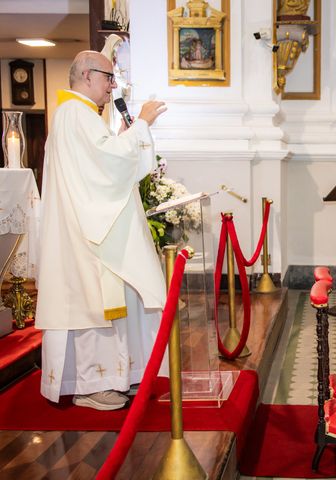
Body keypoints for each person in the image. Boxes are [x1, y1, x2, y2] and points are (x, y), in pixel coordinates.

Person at [35, 51, 168, 411]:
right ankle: (92, 385)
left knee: (105, 303)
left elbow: (104, 159)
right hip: (86, 238)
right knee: (93, 306)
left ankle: (113, 377)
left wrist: (124, 136)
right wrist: (141, 125)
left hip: (85, 228)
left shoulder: (78, 116)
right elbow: (107, 166)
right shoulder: (75, 114)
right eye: (109, 78)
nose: (113, 86)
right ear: (87, 75)